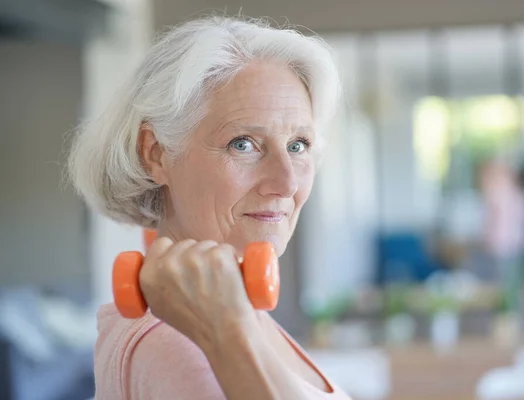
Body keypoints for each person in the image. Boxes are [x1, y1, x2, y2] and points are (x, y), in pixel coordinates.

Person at [67, 15, 350, 400]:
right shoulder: (176, 349)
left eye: (298, 145)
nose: (287, 183)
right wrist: (228, 336)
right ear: (156, 154)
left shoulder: (235, 318)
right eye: (243, 144)